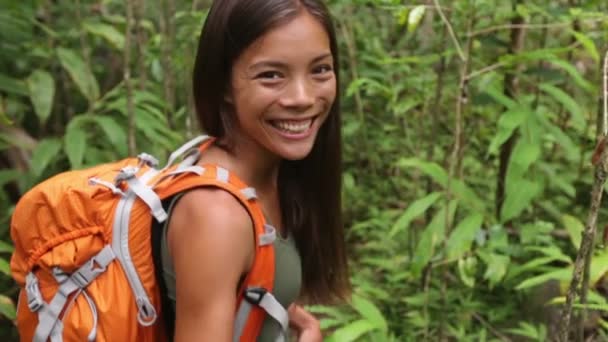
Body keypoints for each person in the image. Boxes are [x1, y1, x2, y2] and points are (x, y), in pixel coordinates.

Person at [158, 0, 351, 340]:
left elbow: (241, 284)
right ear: (222, 87)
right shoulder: (216, 214)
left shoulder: (267, 175)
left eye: (319, 69)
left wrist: (303, 322)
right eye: (271, 75)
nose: (303, 97)